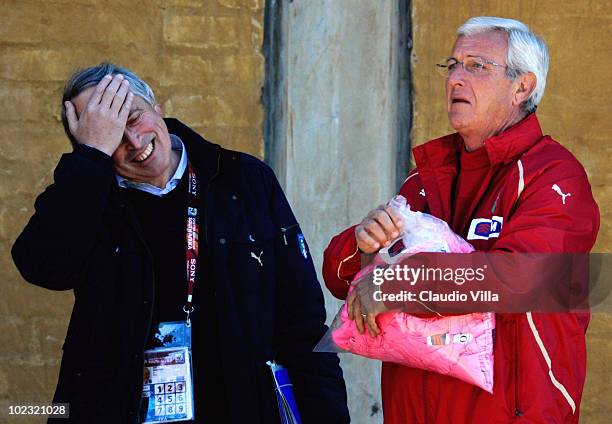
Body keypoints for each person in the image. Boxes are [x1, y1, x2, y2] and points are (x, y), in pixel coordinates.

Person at [12, 63, 349, 424]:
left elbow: (302, 320)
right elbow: (44, 266)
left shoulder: (242, 178)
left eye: (133, 116)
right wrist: (90, 156)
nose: (132, 141)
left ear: (157, 105)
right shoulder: (86, 199)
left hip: (241, 406)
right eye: (108, 134)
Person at [322, 16, 599, 423]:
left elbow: (519, 279)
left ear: (522, 86)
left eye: (477, 66)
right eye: (452, 65)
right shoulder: (427, 176)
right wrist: (362, 246)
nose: (456, 78)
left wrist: (396, 287)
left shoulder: (553, 175)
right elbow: (338, 277)